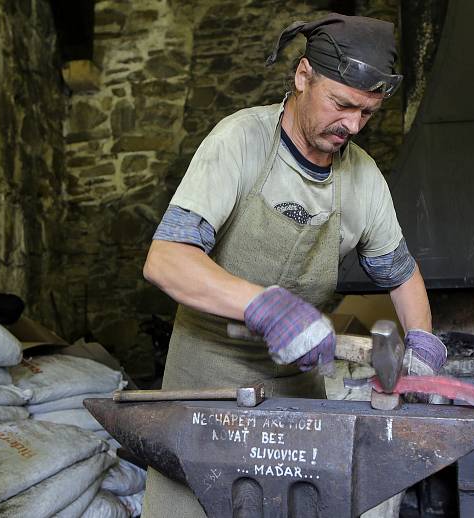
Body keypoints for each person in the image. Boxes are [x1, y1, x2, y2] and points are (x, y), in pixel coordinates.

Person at [141, 13, 447, 517]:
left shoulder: (363, 179)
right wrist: (263, 305)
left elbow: (400, 272)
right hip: (207, 381)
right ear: (303, 76)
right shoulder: (240, 142)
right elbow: (166, 259)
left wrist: (421, 342)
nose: (351, 125)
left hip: (296, 390)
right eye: (342, 104)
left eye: (366, 113)